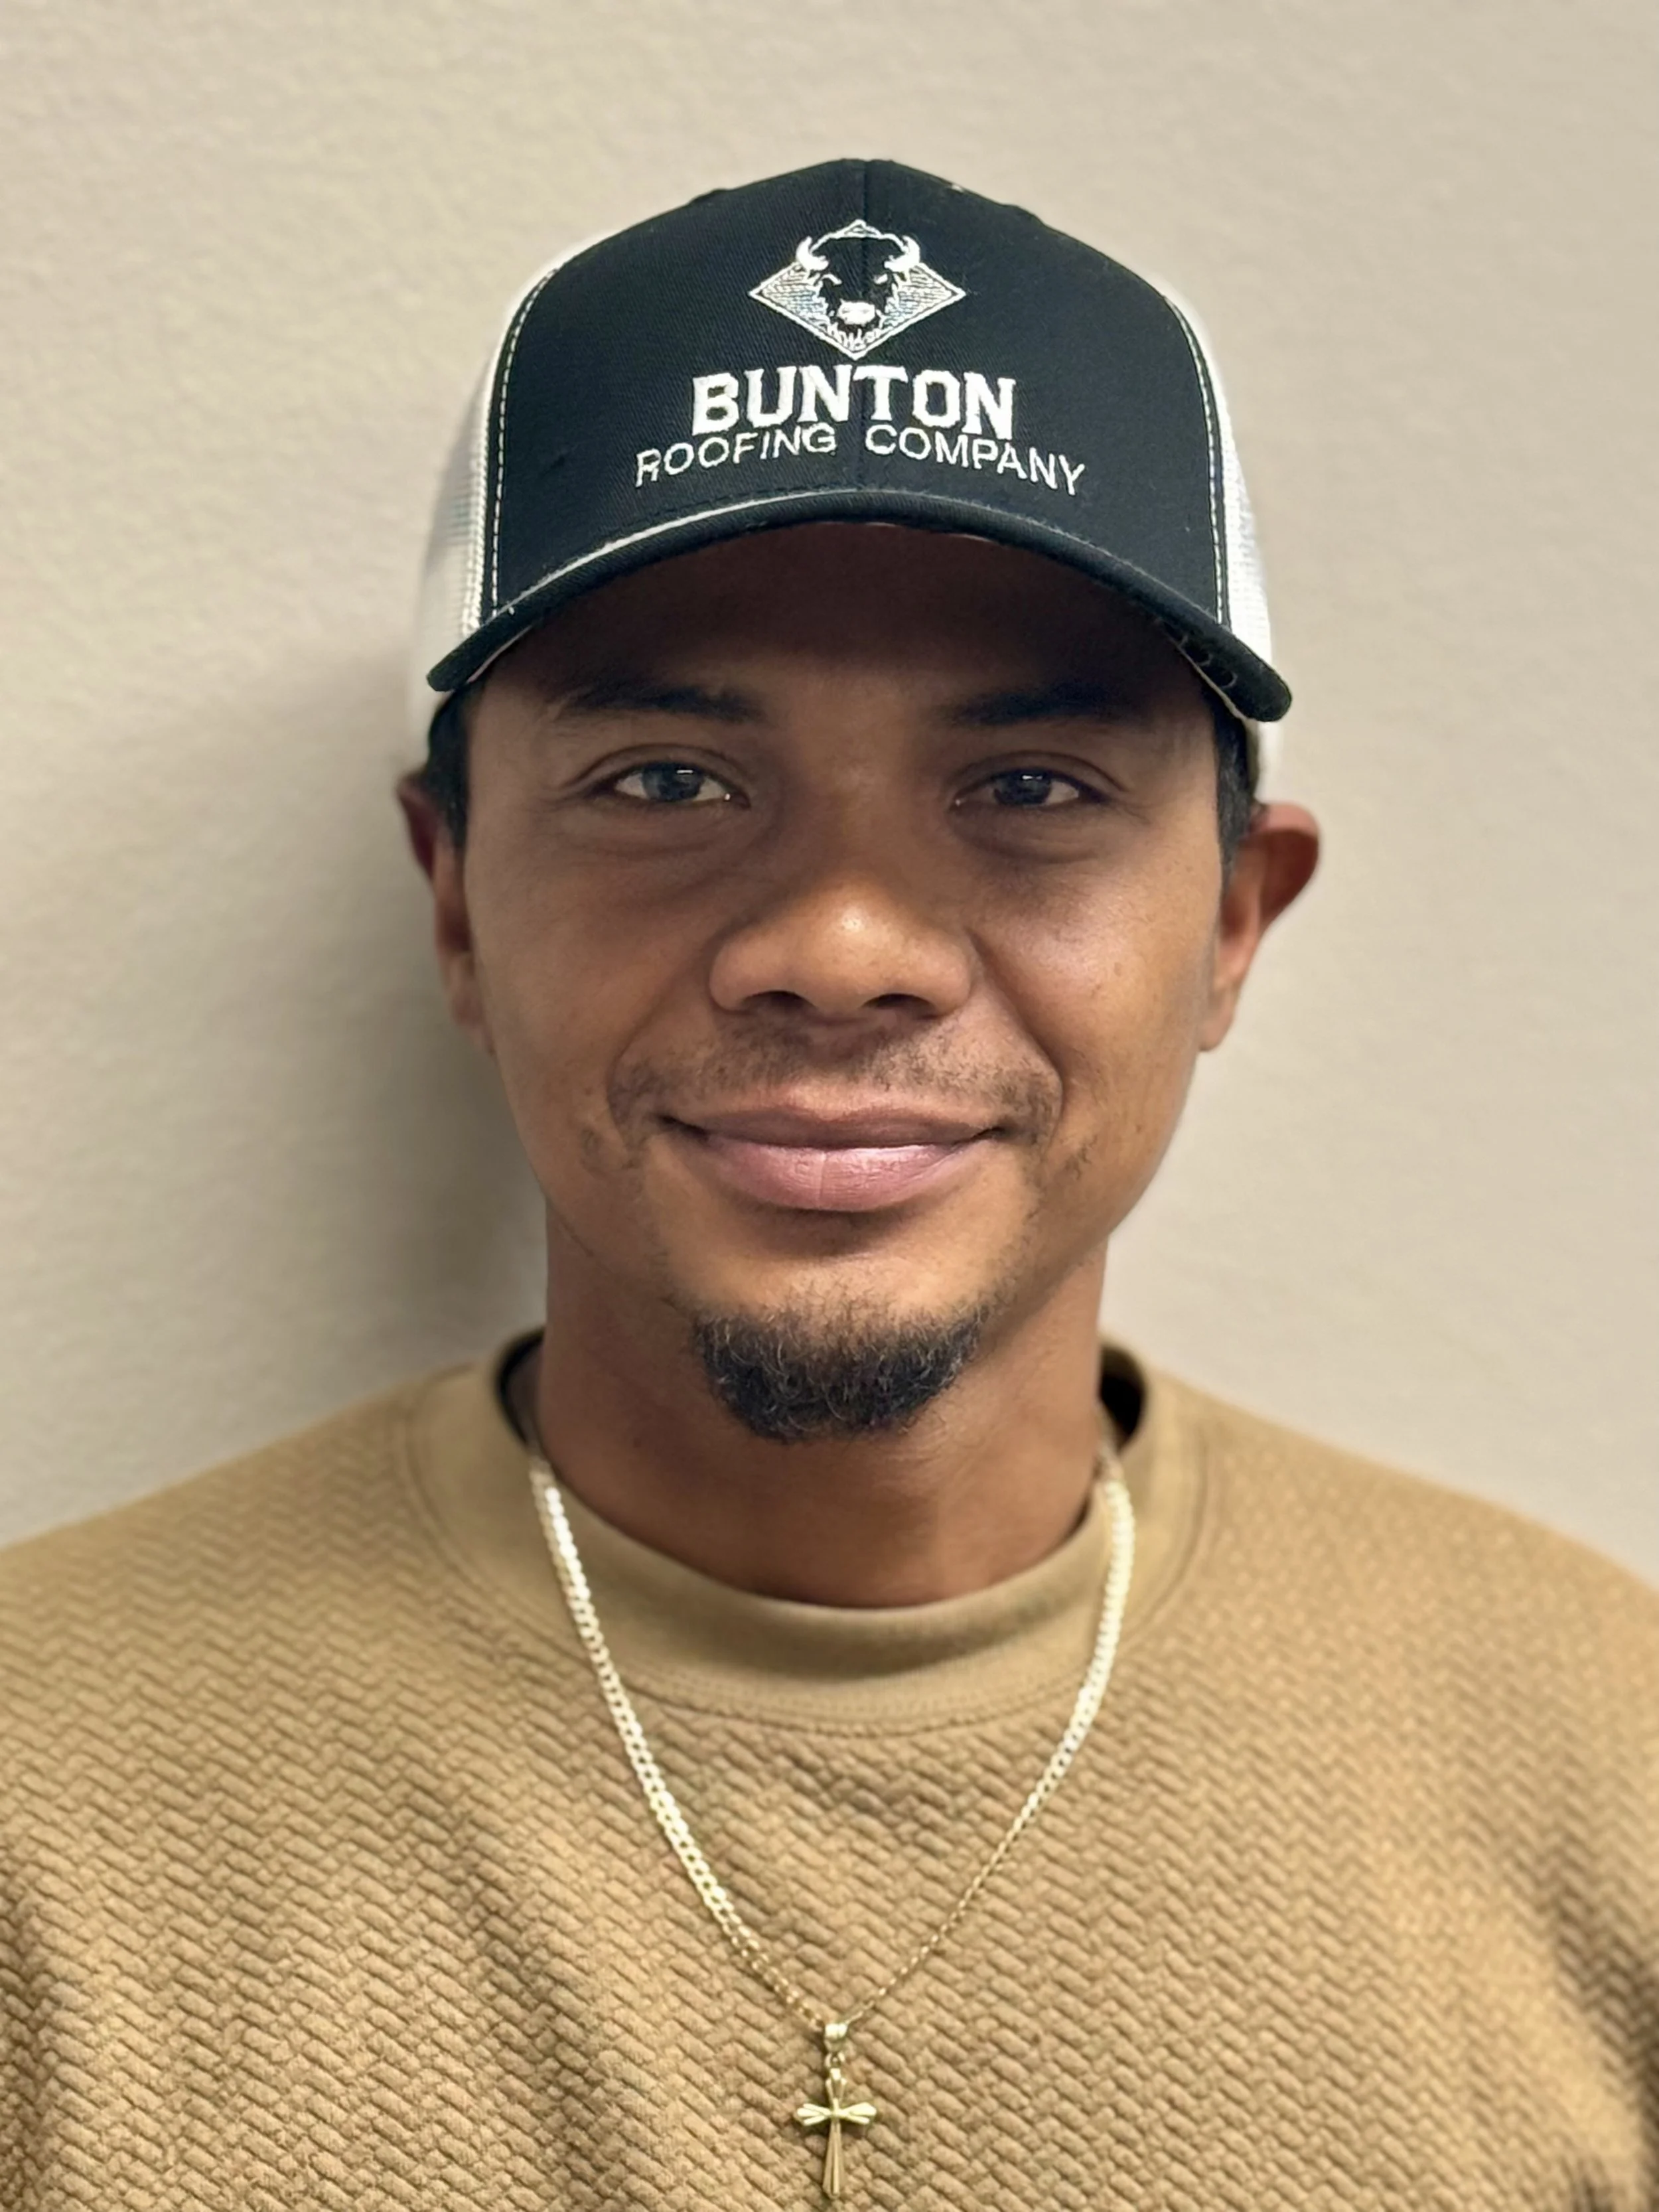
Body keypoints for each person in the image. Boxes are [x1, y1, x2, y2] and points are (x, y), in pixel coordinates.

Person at [0, 160, 1652, 2211]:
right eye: (666, 783)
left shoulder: (1604, 1763)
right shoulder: (40, 1796)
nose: (844, 942)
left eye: (1029, 788)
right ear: (456, 903)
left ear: (1233, 921)